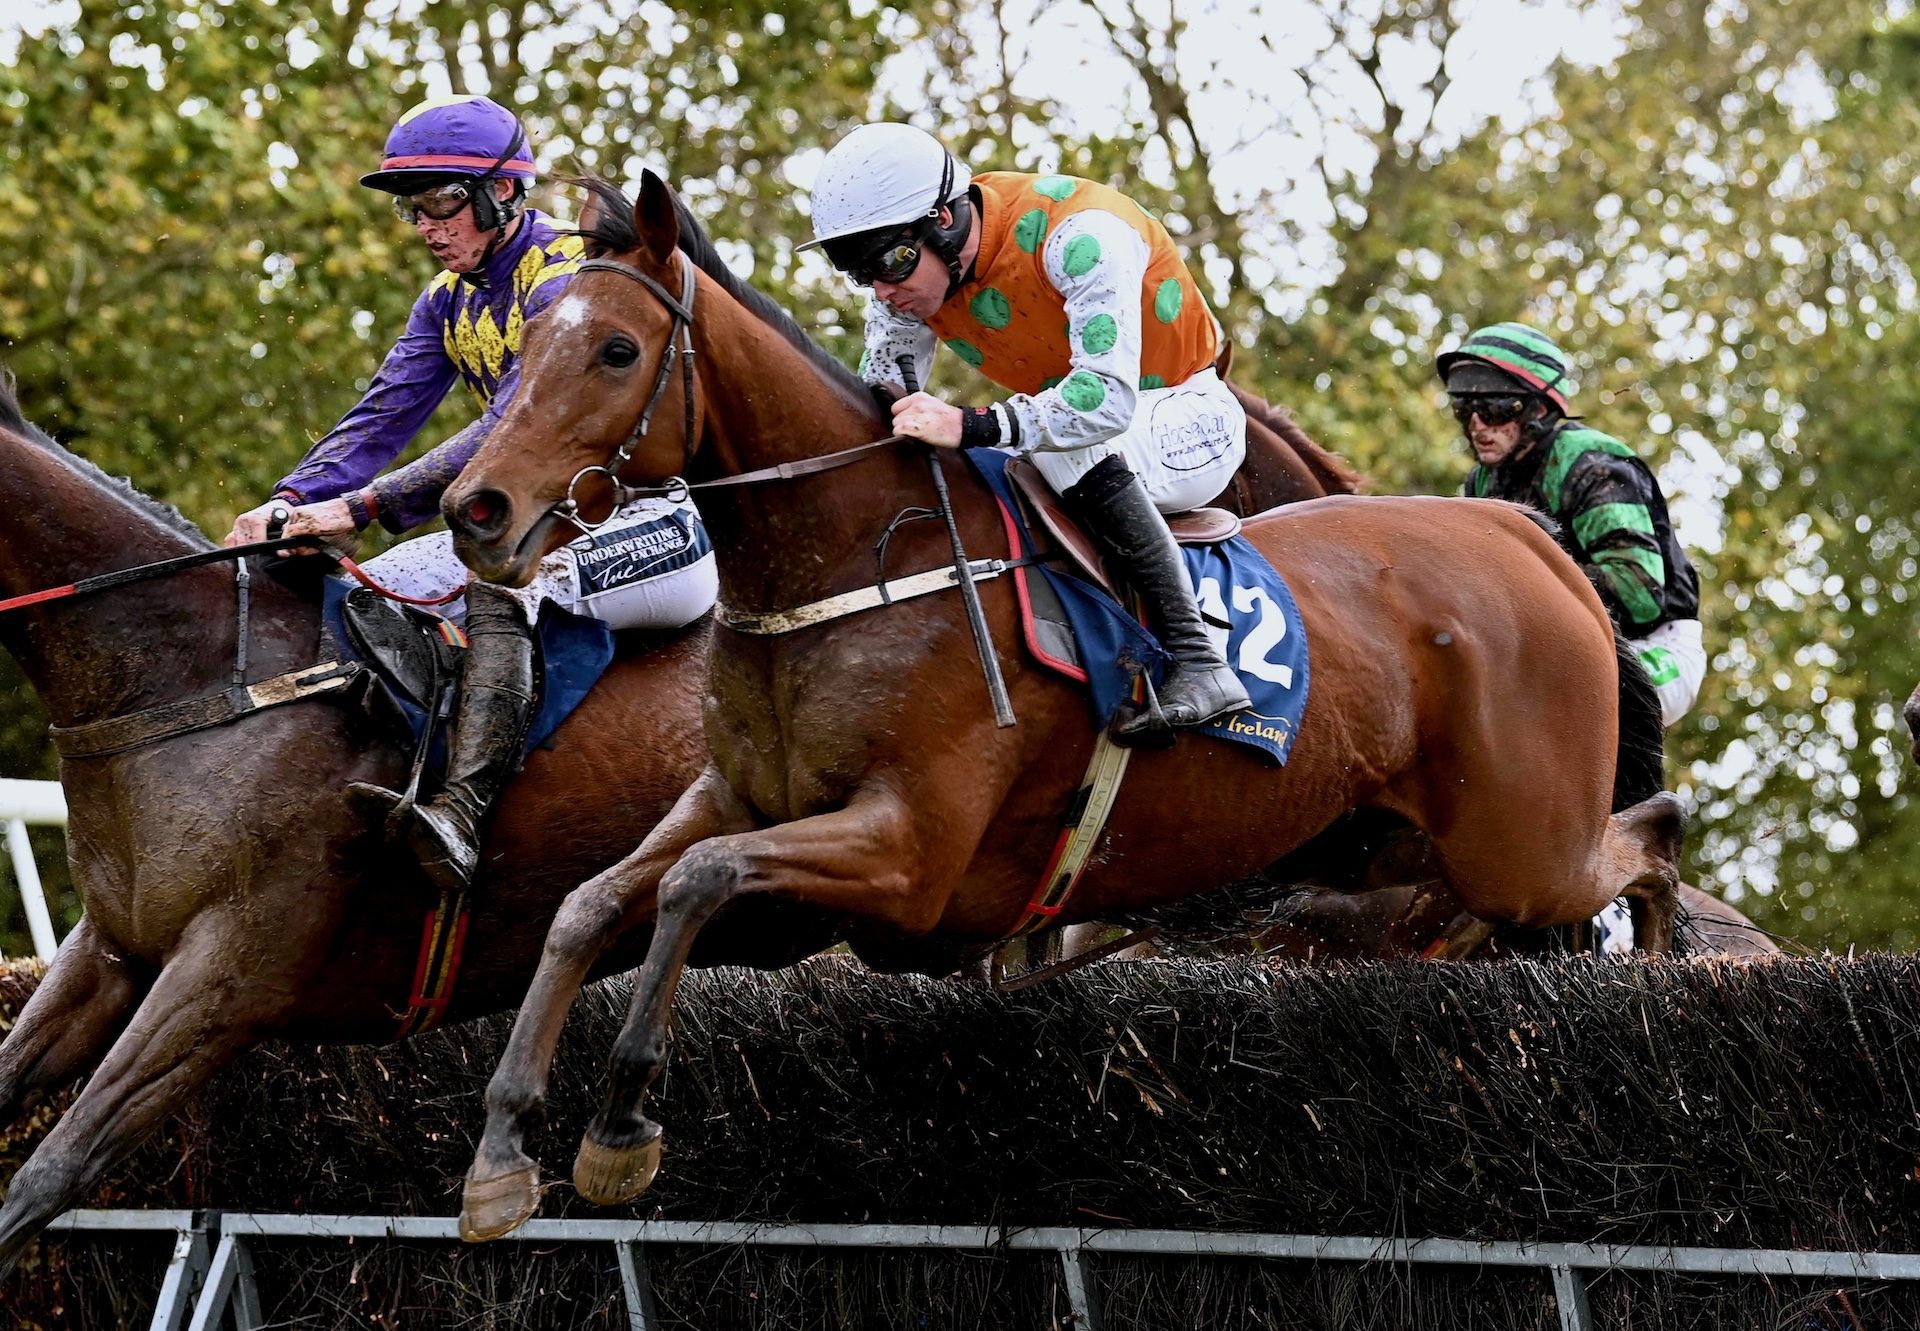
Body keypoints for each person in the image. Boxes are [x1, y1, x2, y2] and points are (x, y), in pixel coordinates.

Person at [224, 94, 717, 892]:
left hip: (655, 521)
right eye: (413, 209)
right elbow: (381, 417)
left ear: (505, 193)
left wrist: (360, 508)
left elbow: (505, 426)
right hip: (545, 523)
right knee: (368, 590)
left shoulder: (566, 277)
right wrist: (288, 503)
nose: (426, 226)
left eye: (443, 202)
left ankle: (464, 811)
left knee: (503, 583)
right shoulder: (446, 303)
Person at [799, 122, 1252, 740]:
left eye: (892, 262)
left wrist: (968, 422)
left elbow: (1101, 404)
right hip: (1084, 427)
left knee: (1052, 444)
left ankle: (1201, 661)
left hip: (1187, 416)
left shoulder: (1081, 236)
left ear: (945, 220)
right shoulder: (909, 286)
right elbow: (881, 404)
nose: (881, 290)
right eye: (861, 274)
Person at [1438, 322, 1705, 728]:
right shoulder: (1482, 482)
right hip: (1564, 644)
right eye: (1465, 407)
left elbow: (1639, 594)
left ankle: (1641, 794)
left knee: (1550, 697)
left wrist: (1519, 586)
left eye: (1494, 408)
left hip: (1651, 645)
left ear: (1539, 409)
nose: (1477, 424)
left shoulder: (1591, 465)